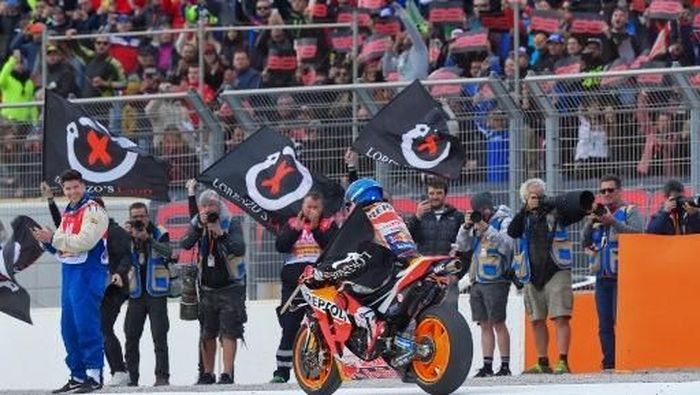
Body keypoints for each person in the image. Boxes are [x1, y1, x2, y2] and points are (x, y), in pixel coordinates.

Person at [303, 178, 420, 377]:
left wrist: (323, 270)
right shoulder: (390, 213)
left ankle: (369, 320)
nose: (348, 209)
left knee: (344, 291)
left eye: (348, 205)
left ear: (354, 201)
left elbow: (346, 252)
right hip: (401, 267)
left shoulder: (362, 215)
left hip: (377, 272)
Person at [39, 182, 133, 387]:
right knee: (79, 328)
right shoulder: (79, 231)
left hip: (111, 287)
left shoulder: (114, 231)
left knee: (101, 327)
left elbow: (127, 256)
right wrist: (50, 203)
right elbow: (63, 231)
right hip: (90, 283)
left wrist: (119, 273)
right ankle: (83, 374)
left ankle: (115, 370)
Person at [32, 170, 109, 393]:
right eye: (68, 188)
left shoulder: (94, 208)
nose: (72, 192)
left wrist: (53, 238)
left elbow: (85, 241)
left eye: (76, 187)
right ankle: (77, 375)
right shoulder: (68, 211)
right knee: (69, 328)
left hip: (88, 272)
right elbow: (63, 245)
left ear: (83, 186)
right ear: (63, 190)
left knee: (86, 325)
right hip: (70, 272)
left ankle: (94, 375)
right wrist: (45, 242)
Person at [507, 178, 574, 375]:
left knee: (561, 316)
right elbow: (512, 231)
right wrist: (524, 210)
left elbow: (572, 210)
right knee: (536, 320)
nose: (539, 200)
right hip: (532, 272)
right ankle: (542, 361)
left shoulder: (557, 212)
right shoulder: (523, 217)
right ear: (525, 199)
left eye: (541, 195)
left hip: (557, 268)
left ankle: (563, 360)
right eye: (534, 197)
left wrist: (551, 204)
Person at [270, 192, 338, 383]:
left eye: (315, 208)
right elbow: (281, 246)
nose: (311, 211)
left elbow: (334, 247)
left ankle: (319, 370)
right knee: (289, 326)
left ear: (321, 209)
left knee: (322, 325)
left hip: (319, 281)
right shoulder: (291, 222)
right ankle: (281, 371)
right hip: (294, 283)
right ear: (302, 207)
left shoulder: (328, 224)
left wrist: (316, 229)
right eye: (308, 207)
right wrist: (295, 231)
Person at [181, 189, 246, 385]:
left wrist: (221, 234)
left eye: (212, 205)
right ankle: (207, 374)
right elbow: (185, 244)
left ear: (219, 206)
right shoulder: (198, 223)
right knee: (207, 332)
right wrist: (199, 226)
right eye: (205, 205)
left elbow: (239, 248)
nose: (209, 209)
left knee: (229, 331)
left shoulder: (231, 221)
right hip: (207, 287)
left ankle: (226, 374)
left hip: (230, 285)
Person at [581, 175, 644, 371]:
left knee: (622, 321)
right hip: (602, 276)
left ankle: (627, 360)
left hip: (624, 276)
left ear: (620, 190)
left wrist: (612, 222)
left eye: (610, 190)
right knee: (604, 324)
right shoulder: (598, 214)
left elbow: (637, 235)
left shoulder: (630, 211)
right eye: (603, 191)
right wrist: (590, 222)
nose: (606, 194)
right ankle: (609, 363)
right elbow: (585, 242)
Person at [454, 192, 513, 377]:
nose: (482, 213)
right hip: (477, 279)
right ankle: (487, 365)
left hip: (497, 279)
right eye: (478, 211)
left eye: (484, 209)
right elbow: (462, 247)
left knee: (498, 322)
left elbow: (508, 245)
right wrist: (465, 227)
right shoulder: (473, 224)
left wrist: (486, 227)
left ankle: (505, 365)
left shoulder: (503, 221)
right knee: (484, 324)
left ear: (490, 207)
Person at [123, 202, 172, 387]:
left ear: (147, 216)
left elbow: (169, 252)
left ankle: (162, 377)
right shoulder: (126, 235)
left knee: (160, 336)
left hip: (156, 292)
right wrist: (129, 238)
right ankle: (132, 378)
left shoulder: (159, 232)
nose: (138, 220)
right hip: (135, 292)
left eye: (141, 216)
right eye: (135, 217)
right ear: (130, 217)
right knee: (131, 337)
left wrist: (148, 239)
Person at [407, 178, 465, 256]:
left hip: (448, 264)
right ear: (427, 195)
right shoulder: (420, 216)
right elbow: (408, 239)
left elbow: (464, 243)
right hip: (425, 264)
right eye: (431, 193)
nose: (435, 197)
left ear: (445, 194)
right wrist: (417, 217)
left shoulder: (457, 216)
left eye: (439, 193)